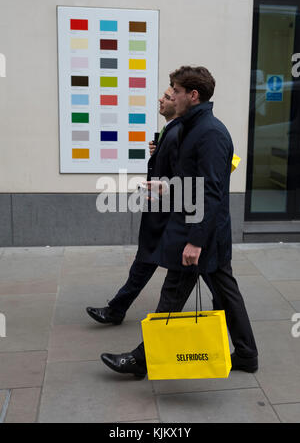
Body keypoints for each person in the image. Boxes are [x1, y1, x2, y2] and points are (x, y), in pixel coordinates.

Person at [101, 66, 258, 378]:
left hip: (199, 233)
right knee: (225, 293)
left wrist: (196, 241)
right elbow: (194, 182)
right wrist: (168, 187)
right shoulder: (191, 128)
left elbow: (212, 192)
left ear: (193, 95)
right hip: (200, 230)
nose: (170, 94)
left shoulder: (210, 133)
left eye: (175, 89)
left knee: (172, 295)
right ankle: (246, 354)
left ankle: (140, 360)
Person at [87, 87, 221, 327]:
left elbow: (185, 177)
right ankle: (118, 308)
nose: (162, 99)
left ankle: (223, 314)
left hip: (170, 216)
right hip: (164, 213)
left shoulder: (180, 132)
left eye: (169, 97)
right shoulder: (171, 130)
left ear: (184, 100)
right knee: (146, 262)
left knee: (205, 273)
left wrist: (163, 195)